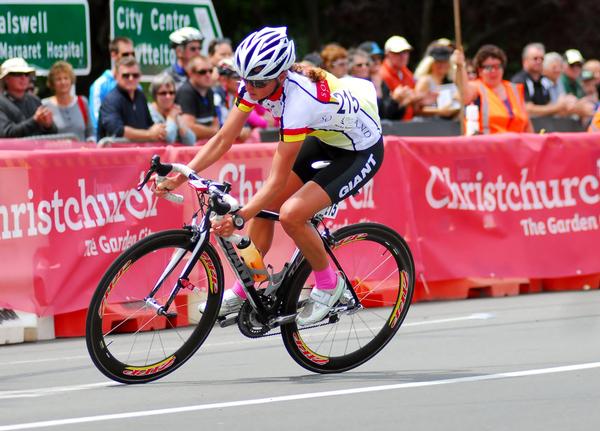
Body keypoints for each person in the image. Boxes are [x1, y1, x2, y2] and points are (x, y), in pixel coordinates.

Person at [155, 27, 384, 325]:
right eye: (245, 78)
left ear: (280, 76)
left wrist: (239, 217)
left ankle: (330, 285)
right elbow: (224, 138)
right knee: (265, 208)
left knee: (291, 214)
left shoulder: (299, 100)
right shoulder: (254, 83)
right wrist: (181, 176)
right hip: (326, 137)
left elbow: (277, 180)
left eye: (258, 81)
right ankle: (247, 287)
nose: (249, 87)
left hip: (360, 150)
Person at [454, 44, 534, 134]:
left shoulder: (514, 89)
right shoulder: (476, 87)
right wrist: (460, 66)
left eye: (497, 66)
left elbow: (527, 123)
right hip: (488, 146)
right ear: (479, 71)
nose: (493, 71)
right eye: (488, 67)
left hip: (517, 146)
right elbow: (465, 95)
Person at [97, 57, 166, 142]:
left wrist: (159, 130)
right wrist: (149, 134)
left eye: (135, 75)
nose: (131, 78)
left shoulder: (140, 96)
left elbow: (149, 124)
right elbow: (118, 130)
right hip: (115, 153)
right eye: (126, 75)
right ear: (116, 76)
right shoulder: (111, 100)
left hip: (139, 153)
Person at [88, 36, 134, 138]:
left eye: (133, 54)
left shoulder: (136, 85)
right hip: (109, 145)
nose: (130, 58)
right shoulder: (99, 85)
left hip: (134, 144)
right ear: (114, 55)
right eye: (126, 54)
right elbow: (96, 121)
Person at [0, 57, 57, 138]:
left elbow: (53, 134)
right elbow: (6, 133)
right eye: (18, 73)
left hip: (37, 150)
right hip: (13, 151)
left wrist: (48, 126)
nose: (23, 77)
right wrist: (34, 121)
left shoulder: (34, 100)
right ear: (6, 78)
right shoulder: (1, 102)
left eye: (26, 74)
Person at [511, 43, 570, 118]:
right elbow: (526, 109)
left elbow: (549, 105)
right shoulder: (519, 81)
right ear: (525, 61)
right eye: (535, 58)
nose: (539, 61)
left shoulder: (544, 81)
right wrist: (556, 107)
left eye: (541, 58)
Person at [42, 61, 94, 141]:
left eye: (66, 78)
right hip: (57, 152)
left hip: (81, 152)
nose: (63, 82)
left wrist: (90, 145)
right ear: (52, 83)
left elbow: (90, 132)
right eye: (58, 79)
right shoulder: (45, 105)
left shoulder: (82, 102)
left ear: (71, 80)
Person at [175, 55, 219, 141]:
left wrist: (215, 131)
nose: (208, 75)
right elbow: (189, 127)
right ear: (190, 73)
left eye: (210, 71)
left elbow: (215, 123)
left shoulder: (209, 91)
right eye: (202, 72)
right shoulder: (186, 92)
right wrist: (214, 132)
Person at [379, 35, 424, 120]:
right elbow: (385, 110)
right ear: (387, 54)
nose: (403, 56)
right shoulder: (381, 75)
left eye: (406, 52)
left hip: (408, 124)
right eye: (398, 53)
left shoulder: (406, 72)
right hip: (391, 127)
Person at [148, 74, 196, 145]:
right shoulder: (149, 112)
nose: (168, 96)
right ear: (155, 95)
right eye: (163, 93)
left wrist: (179, 122)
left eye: (172, 93)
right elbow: (169, 139)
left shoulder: (173, 110)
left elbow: (191, 141)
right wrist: (171, 118)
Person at [414, 45, 459, 119]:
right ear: (430, 63)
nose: (442, 65)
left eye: (445, 61)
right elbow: (416, 109)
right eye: (438, 61)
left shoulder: (448, 81)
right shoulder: (425, 81)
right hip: (425, 125)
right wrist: (439, 111)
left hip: (443, 125)